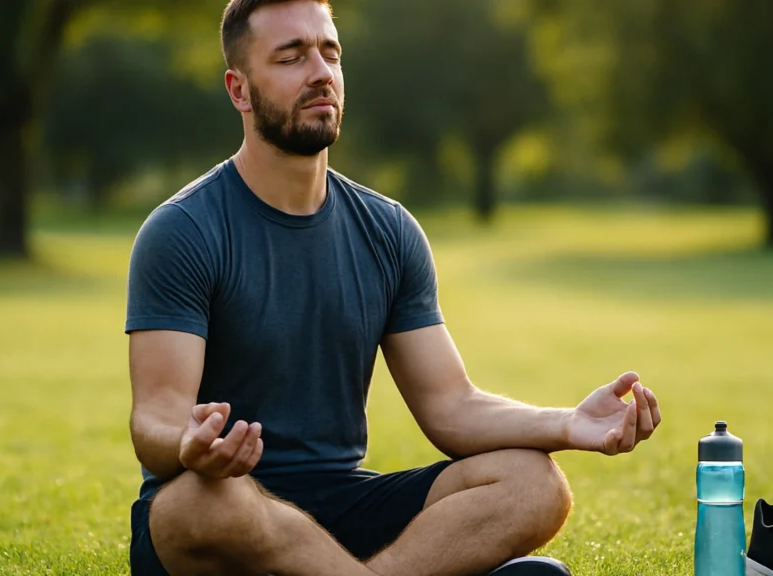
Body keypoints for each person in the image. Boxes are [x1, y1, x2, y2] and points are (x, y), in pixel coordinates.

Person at [124, 0, 663, 574]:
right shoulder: (183, 230)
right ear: (239, 89)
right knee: (193, 504)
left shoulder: (387, 230)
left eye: (330, 53)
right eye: (291, 57)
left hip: (346, 505)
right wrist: (187, 445)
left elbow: (452, 406)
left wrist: (567, 424)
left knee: (534, 482)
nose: (320, 72)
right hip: (226, 504)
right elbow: (155, 420)